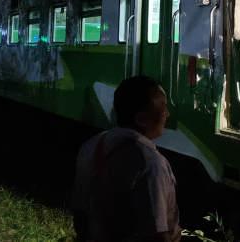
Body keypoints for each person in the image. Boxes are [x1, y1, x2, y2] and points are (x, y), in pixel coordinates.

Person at [72, 75, 181, 242]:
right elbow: (157, 234)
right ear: (141, 119)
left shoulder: (90, 146)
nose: (167, 113)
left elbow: (79, 216)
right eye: (163, 107)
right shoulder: (151, 164)